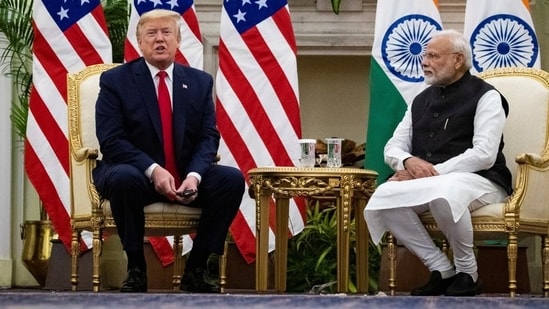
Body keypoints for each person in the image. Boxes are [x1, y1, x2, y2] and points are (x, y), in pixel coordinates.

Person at [93, 9, 245, 293]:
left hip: (184, 177)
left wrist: (195, 176)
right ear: (140, 42)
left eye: (166, 33)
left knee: (231, 180)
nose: (159, 40)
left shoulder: (199, 82)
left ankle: (196, 269)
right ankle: (136, 268)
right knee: (124, 178)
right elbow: (112, 140)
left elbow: (208, 137)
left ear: (178, 41)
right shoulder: (116, 82)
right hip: (137, 176)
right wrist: (153, 170)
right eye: (151, 34)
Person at [364, 29, 513, 297]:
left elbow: (484, 154)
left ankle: (468, 272)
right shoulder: (420, 99)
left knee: (444, 192)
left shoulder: (487, 96)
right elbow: (393, 147)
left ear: (457, 60)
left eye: (433, 56)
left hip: (484, 180)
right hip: (436, 182)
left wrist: (428, 175)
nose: (424, 62)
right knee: (385, 196)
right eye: (425, 56)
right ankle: (442, 269)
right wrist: (408, 160)